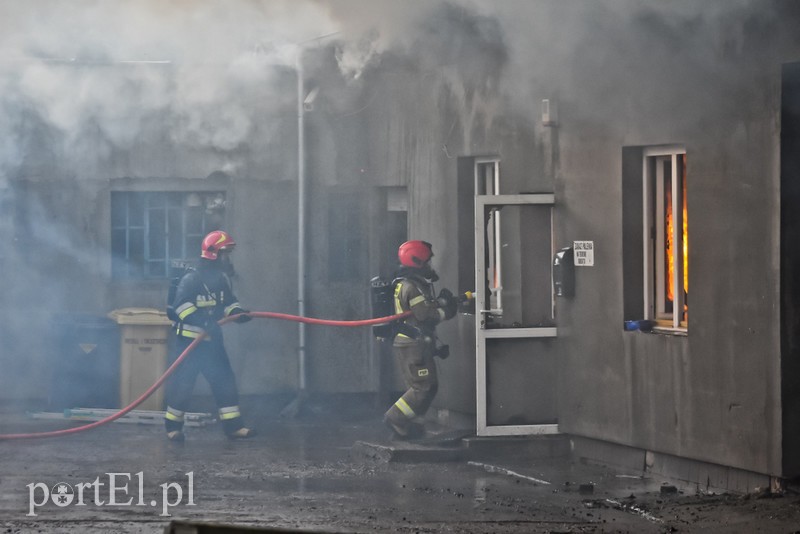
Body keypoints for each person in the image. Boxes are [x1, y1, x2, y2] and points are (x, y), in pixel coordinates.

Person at [164, 230, 255, 442]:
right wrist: (204, 322)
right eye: (225, 254)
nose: (227, 259)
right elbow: (181, 307)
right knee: (182, 385)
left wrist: (237, 313)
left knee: (225, 382)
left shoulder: (220, 280)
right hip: (189, 343)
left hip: (212, 343)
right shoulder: (192, 279)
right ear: (213, 253)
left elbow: (229, 302)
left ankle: (234, 427)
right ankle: (173, 428)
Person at [383, 240, 458, 439]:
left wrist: (443, 301)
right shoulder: (411, 287)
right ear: (416, 261)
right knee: (422, 387)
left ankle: (413, 425)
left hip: (415, 344)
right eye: (427, 262)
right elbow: (426, 315)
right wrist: (448, 312)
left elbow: (423, 307)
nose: (429, 266)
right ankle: (395, 417)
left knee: (429, 386)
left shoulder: (409, 283)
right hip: (413, 345)